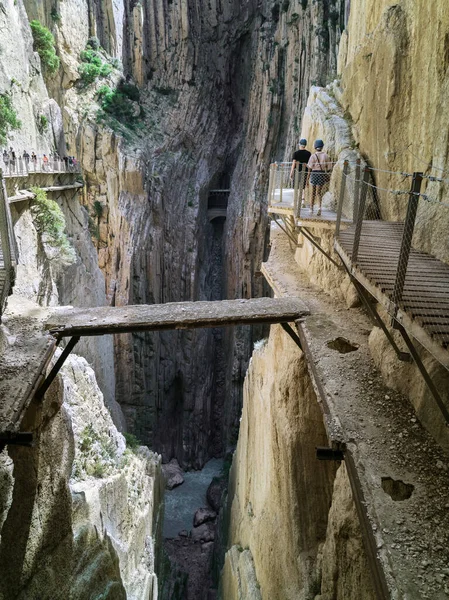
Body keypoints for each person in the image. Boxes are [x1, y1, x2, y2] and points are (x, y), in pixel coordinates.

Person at [307, 139, 332, 216]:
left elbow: (310, 167)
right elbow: (329, 167)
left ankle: (311, 209)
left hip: (314, 174)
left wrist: (307, 178)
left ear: (315, 147)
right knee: (318, 193)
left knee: (313, 192)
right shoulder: (326, 156)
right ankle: (319, 208)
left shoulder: (313, 156)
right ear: (322, 147)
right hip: (321, 174)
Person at [290, 138, 311, 205]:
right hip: (305, 172)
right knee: (303, 187)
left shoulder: (296, 153)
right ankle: (302, 202)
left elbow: (293, 164)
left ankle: (294, 201)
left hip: (297, 172)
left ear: (300, 145)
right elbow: (309, 164)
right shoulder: (309, 154)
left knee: (295, 187)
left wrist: (291, 172)